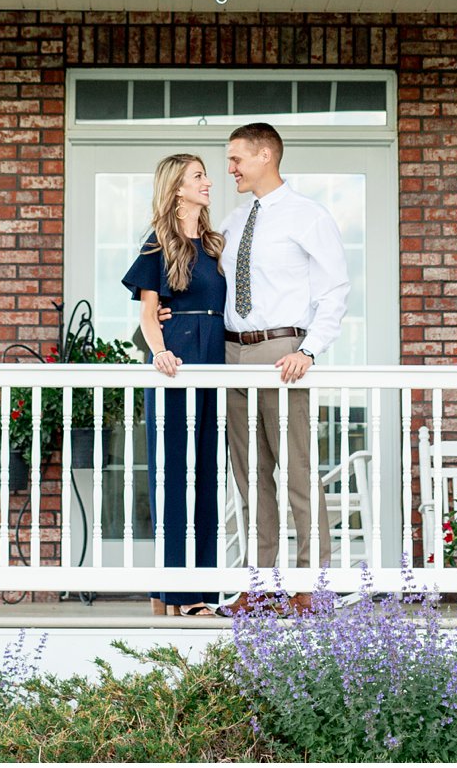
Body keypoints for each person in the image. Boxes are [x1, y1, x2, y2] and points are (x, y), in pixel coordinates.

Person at [218, 121, 348, 614]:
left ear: (266, 155)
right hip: (232, 356)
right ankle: (261, 585)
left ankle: (312, 586)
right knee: (250, 477)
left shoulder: (307, 216)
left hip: (282, 353)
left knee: (296, 473)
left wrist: (309, 350)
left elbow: (334, 289)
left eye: (237, 159)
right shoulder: (232, 222)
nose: (229, 168)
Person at [120, 152, 226, 617]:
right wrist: (160, 350)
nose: (208, 182)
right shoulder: (158, 243)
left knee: (207, 476)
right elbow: (147, 314)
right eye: (199, 176)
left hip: (216, 360)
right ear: (178, 188)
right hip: (176, 363)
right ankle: (183, 596)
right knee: (173, 476)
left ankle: (181, 591)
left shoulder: (215, 244)